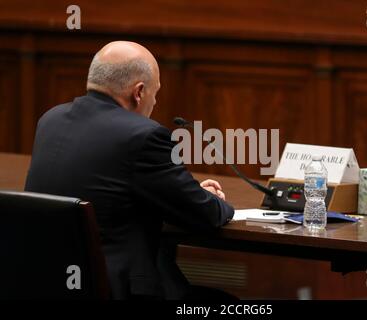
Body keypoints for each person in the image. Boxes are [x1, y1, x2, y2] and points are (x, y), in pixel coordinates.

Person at [25, 41, 235, 300]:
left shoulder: (50, 120)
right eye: (155, 93)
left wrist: (184, 194)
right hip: (118, 288)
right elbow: (207, 215)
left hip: (47, 284)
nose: (155, 102)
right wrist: (212, 200)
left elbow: (109, 190)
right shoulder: (144, 136)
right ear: (139, 92)